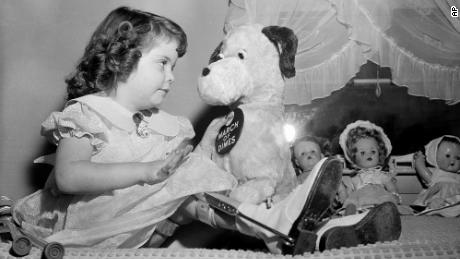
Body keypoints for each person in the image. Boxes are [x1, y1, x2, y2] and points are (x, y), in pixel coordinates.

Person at [9, 6, 400, 254]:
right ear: (119, 60)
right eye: (162, 63)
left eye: (174, 66)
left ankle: (299, 226)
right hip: (94, 226)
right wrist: (148, 172)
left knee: (199, 190)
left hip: (147, 226)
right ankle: (279, 223)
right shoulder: (86, 113)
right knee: (187, 189)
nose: (171, 76)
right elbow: (69, 175)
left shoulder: (161, 127)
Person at [337, 120, 401, 215]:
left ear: (380, 154)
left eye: (373, 151)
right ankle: (350, 217)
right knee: (351, 203)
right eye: (363, 152)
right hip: (360, 199)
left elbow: (391, 188)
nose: (369, 154)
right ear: (354, 158)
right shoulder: (355, 178)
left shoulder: (382, 176)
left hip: (379, 196)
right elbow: (349, 193)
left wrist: (394, 195)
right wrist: (344, 196)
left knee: (387, 202)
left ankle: (385, 215)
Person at [412, 135, 460, 217]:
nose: (452, 161)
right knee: (435, 203)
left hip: (455, 201)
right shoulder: (437, 173)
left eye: (458, 158)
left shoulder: (458, 176)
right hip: (438, 202)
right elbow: (425, 173)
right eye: (447, 156)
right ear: (434, 155)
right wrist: (419, 160)